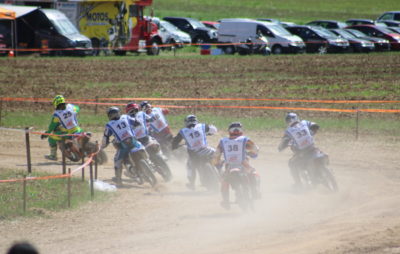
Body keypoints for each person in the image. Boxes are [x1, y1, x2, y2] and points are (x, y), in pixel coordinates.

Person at [213, 122, 260, 210]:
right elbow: (255, 149)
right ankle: (255, 191)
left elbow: (216, 154)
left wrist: (216, 163)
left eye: (237, 130)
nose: (236, 131)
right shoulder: (245, 139)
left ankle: (226, 201)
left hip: (229, 166)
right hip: (243, 164)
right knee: (254, 173)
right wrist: (253, 154)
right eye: (235, 130)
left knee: (224, 182)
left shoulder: (223, 141)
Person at [172, 114, 217, 190]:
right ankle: (222, 172)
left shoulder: (183, 131)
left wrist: (174, 147)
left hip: (194, 155)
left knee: (190, 166)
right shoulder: (202, 126)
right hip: (207, 150)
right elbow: (214, 130)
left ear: (186, 122)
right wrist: (210, 133)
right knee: (218, 155)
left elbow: (175, 141)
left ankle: (192, 184)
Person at [100, 106, 141, 186]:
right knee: (142, 146)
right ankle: (149, 163)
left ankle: (118, 180)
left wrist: (103, 146)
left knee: (117, 160)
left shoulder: (109, 125)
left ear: (110, 115)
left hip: (123, 145)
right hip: (133, 140)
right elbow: (137, 122)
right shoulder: (126, 117)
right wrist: (132, 128)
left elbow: (105, 138)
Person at [278, 112, 320, 189]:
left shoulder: (288, 131)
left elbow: (282, 144)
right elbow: (316, 126)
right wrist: (311, 133)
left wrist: (281, 147)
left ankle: (298, 184)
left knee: (291, 163)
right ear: (297, 118)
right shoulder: (304, 122)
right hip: (312, 147)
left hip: (303, 152)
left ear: (287, 121)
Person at [41, 95, 82, 161]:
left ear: (56, 105)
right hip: (78, 129)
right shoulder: (70, 106)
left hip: (68, 132)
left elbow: (52, 126)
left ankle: (53, 155)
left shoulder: (57, 114)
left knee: (51, 137)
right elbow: (77, 108)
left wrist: (47, 133)